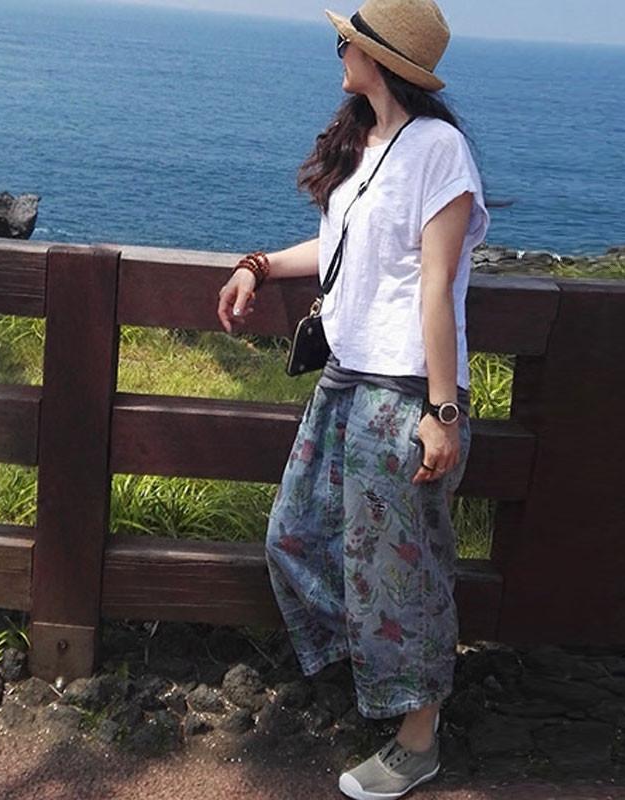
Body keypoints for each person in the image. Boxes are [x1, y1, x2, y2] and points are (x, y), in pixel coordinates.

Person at [217, 1, 489, 797]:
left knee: (401, 569)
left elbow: (435, 285)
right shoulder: (364, 142)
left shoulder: (439, 151)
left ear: (383, 60)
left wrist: (442, 413)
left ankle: (418, 736)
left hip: (404, 390)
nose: (339, 51)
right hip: (346, 379)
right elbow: (340, 249)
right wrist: (258, 265)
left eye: (348, 43)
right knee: (295, 535)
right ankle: (382, 674)